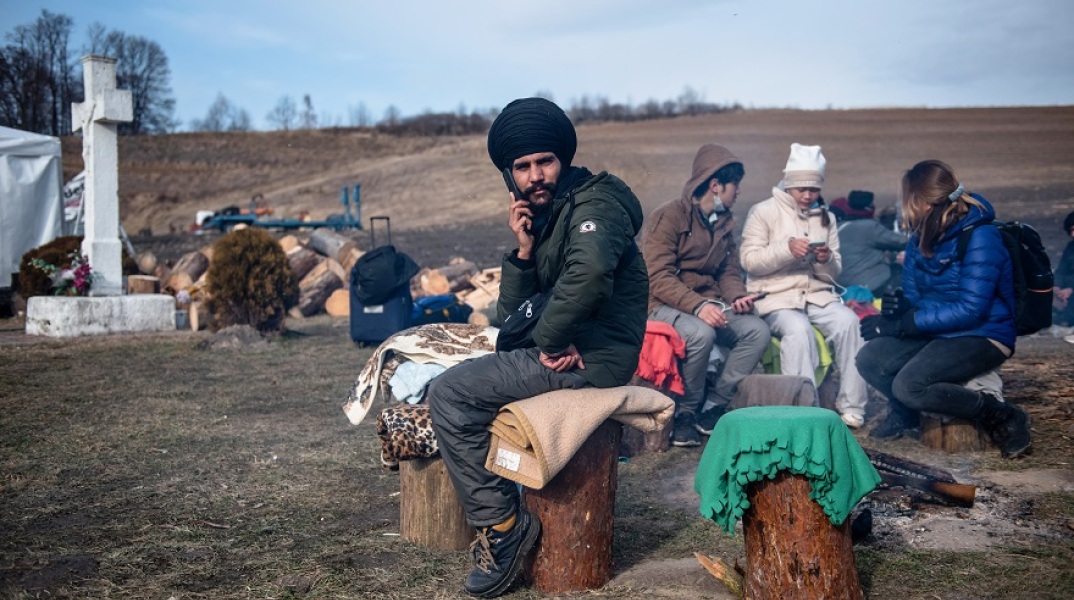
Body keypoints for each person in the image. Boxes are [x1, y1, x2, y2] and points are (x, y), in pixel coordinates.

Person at [426, 97, 648, 598]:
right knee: (470, 379)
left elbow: (589, 273)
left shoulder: (596, 204)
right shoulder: (549, 218)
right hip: (572, 349)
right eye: (521, 167)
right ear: (511, 177)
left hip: (591, 356)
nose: (535, 175)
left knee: (450, 394)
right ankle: (507, 503)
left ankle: (503, 528)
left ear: (563, 160)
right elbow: (511, 317)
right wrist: (524, 252)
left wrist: (549, 341)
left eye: (544, 161)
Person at [856, 159, 1031, 458]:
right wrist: (899, 309)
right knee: (870, 358)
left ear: (923, 200)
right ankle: (906, 413)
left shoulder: (980, 236)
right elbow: (915, 294)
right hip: (938, 331)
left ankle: (1001, 415)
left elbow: (971, 309)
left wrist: (903, 326)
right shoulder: (920, 234)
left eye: (907, 198)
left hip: (983, 334)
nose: (903, 205)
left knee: (910, 385)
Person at [642, 144, 770, 447]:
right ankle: (686, 413)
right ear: (715, 186)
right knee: (700, 334)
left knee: (756, 330)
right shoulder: (669, 216)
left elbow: (727, 271)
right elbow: (656, 276)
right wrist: (698, 305)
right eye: (734, 185)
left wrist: (737, 296)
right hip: (662, 304)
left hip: (707, 303)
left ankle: (714, 406)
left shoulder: (725, 224)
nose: (738, 192)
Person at [739, 143, 869, 428]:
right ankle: (804, 412)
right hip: (775, 297)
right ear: (788, 185)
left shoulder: (827, 217)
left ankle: (852, 407)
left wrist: (825, 260)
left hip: (817, 296)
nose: (809, 195)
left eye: (814, 189)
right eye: (802, 189)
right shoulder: (763, 212)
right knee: (798, 331)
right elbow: (749, 260)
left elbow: (833, 273)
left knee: (850, 323)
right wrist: (786, 250)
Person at [829, 190, 907, 297]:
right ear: (869, 208)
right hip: (870, 285)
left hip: (841, 288)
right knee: (901, 272)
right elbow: (903, 242)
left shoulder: (838, 228)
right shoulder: (869, 227)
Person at [1052, 210, 1074, 331]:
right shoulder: (1071, 247)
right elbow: (1062, 269)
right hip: (1066, 287)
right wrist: (1057, 286)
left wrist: (1070, 288)